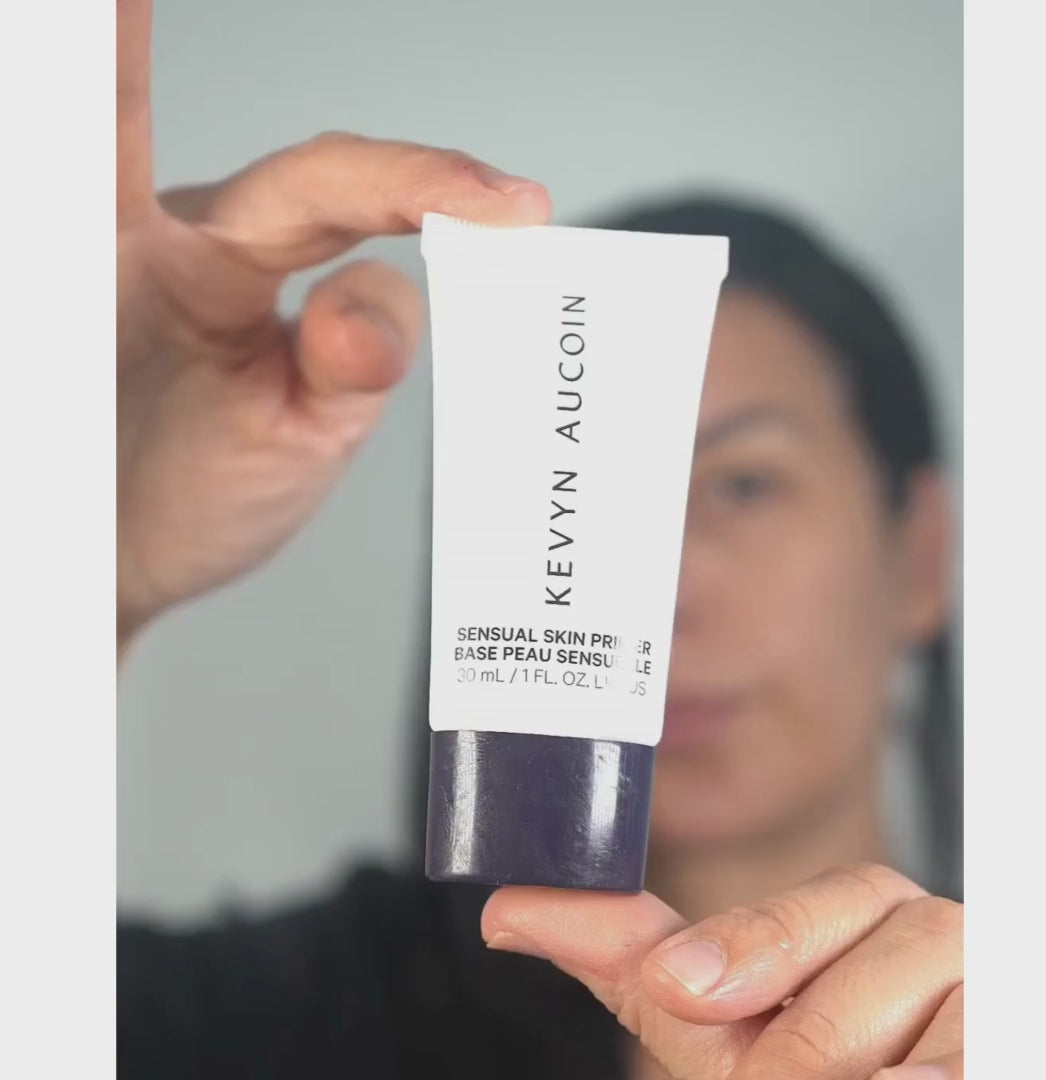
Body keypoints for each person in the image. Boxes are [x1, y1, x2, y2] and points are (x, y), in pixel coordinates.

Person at [117, 2, 962, 1077]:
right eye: (582, 502)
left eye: (744, 486)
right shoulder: (270, 1022)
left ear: (919, 554)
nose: (661, 592)